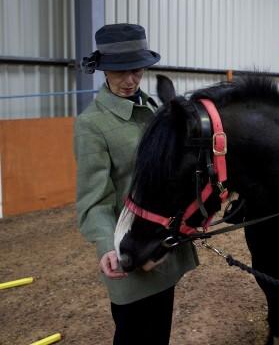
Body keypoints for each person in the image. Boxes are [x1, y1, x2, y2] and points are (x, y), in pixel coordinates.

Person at [74, 23, 198, 345]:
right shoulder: (92, 125)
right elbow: (94, 200)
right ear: (104, 70)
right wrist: (106, 246)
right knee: (132, 335)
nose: (130, 80)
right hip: (128, 248)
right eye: (120, 71)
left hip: (160, 242)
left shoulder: (155, 110)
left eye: (137, 70)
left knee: (159, 334)